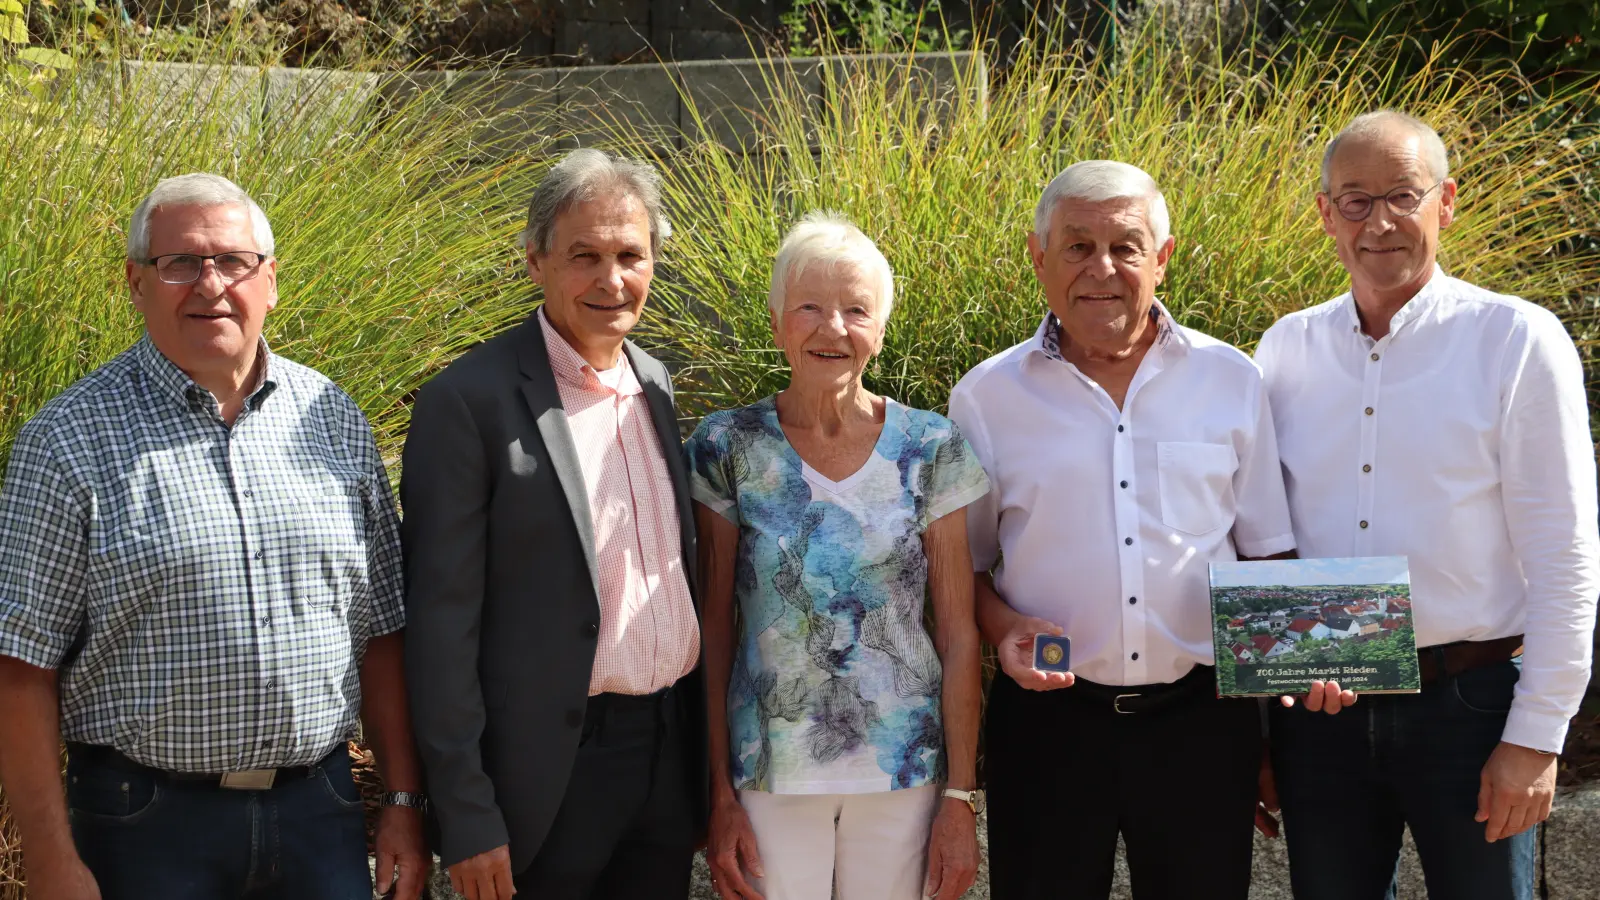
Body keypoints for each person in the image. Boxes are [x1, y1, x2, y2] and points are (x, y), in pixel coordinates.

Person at [0, 173, 428, 900]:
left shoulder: (333, 419)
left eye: (233, 261)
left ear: (270, 281)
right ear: (136, 282)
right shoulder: (67, 441)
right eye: (180, 264)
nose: (210, 284)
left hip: (318, 814)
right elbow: (20, 667)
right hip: (145, 827)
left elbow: (382, 633)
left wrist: (403, 805)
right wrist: (51, 860)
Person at [1255, 110, 1600, 900]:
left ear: (1445, 202)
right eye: (1355, 199)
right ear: (1324, 214)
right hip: (1322, 715)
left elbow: (1566, 551)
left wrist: (1537, 738)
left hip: (1471, 709)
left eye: (1403, 196)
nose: (1379, 221)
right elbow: (1264, 534)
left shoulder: (1517, 339)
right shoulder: (1284, 350)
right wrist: (1265, 727)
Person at [946, 160, 1296, 899]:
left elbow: (1266, 556)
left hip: (1201, 726)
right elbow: (967, 571)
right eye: (1077, 246)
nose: (1101, 268)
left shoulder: (1231, 379)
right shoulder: (984, 399)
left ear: (1162, 259)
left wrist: (1273, 740)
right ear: (1039, 258)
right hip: (1048, 730)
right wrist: (1003, 628)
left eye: (1126, 246)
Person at [402, 148, 705, 900]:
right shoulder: (468, 402)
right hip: (546, 778)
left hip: (665, 760)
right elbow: (441, 627)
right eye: (585, 256)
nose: (612, 279)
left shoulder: (655, 384)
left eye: (631, 255)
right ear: (535, 260)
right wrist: (467, 812)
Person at [688, 213, 988, 900]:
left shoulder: (931, 448)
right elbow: (714, 629)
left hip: (904, 772)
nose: (834, 328)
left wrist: (960, 796)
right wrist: (719, 792)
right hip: (768, 772)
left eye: (857, 310)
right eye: (810, 307)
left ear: (880, 329)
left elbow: (959, 633)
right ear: (775, 321)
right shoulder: (726, 446)